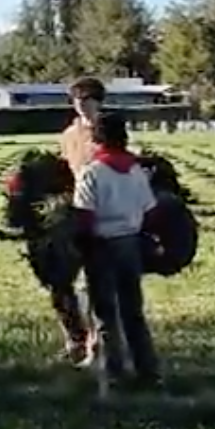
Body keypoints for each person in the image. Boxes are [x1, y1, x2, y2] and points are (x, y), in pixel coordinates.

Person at [71, 111, 160, 391]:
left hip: (102, 246)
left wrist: (77, 243)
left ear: (97, 138)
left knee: (105, 313)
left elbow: (84, 215)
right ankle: (148, 371)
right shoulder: (135, 171)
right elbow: (150, 210)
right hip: (131, 244)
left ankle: (114, 375)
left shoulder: (92, 172)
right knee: (133, 311)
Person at [45, 77, 106, 363]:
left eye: (87, 99)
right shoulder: (68, 134)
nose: (82, 105)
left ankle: (96, 342)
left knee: (94, 282)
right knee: (60, 280)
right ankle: (74, 339)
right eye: (77, 100)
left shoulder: (107, 132)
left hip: (101, 212)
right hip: (72, 211)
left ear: (98, 102)